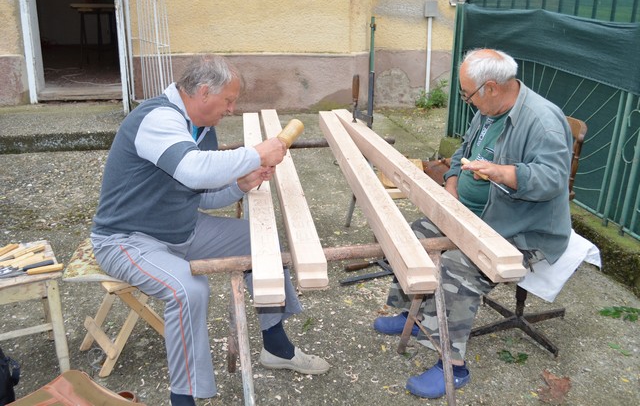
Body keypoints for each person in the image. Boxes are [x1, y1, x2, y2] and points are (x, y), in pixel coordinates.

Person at [90, 55, 330, 406]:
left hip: (181, 230)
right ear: (203, 92)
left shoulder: (201, 127)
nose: (231, 109)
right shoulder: (157, 119)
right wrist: (256, 153)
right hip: (127, 239)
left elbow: (200, 193)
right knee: (189, 290)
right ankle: (183, 398)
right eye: (228, 100)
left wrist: (241, 185)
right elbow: (193, 170)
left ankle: (276, 346)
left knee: (259, 242)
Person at [373, 48, 573, 399]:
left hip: (522, 231)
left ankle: (453, 366)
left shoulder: (542, 121)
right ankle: (414, 318)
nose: (467, 101)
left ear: (491, 87)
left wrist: (500, 172)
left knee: (455, 267)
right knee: (413, 236)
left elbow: (553, 180)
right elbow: (463, 152)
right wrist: (452, 185)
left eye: (468, 94)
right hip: (472, 214)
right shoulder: (487, 111)